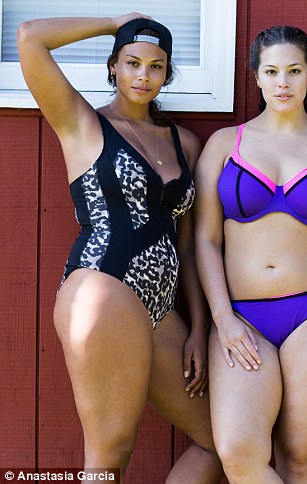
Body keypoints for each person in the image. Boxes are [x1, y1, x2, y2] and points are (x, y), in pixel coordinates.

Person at [17, 14, 223, 482]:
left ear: (166, 74)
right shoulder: (83, 122)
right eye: (132, 63)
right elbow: (30, 38)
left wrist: (198, 328)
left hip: (161, 309)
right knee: (109, 456)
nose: (143, 75)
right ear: (113, 66)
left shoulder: (185, 144)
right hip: (105, 289)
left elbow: (189, 247)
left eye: (155, 66)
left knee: (220, 440)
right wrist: (112, 23)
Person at [194, 25, 307, 483]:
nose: (283, 82)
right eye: (272, 71)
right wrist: (222, 318)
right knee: (239, 451)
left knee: (300, 456)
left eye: (294, 71)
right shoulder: (225, 144)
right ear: (256, 77)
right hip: (241, 316)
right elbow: (205, 239)